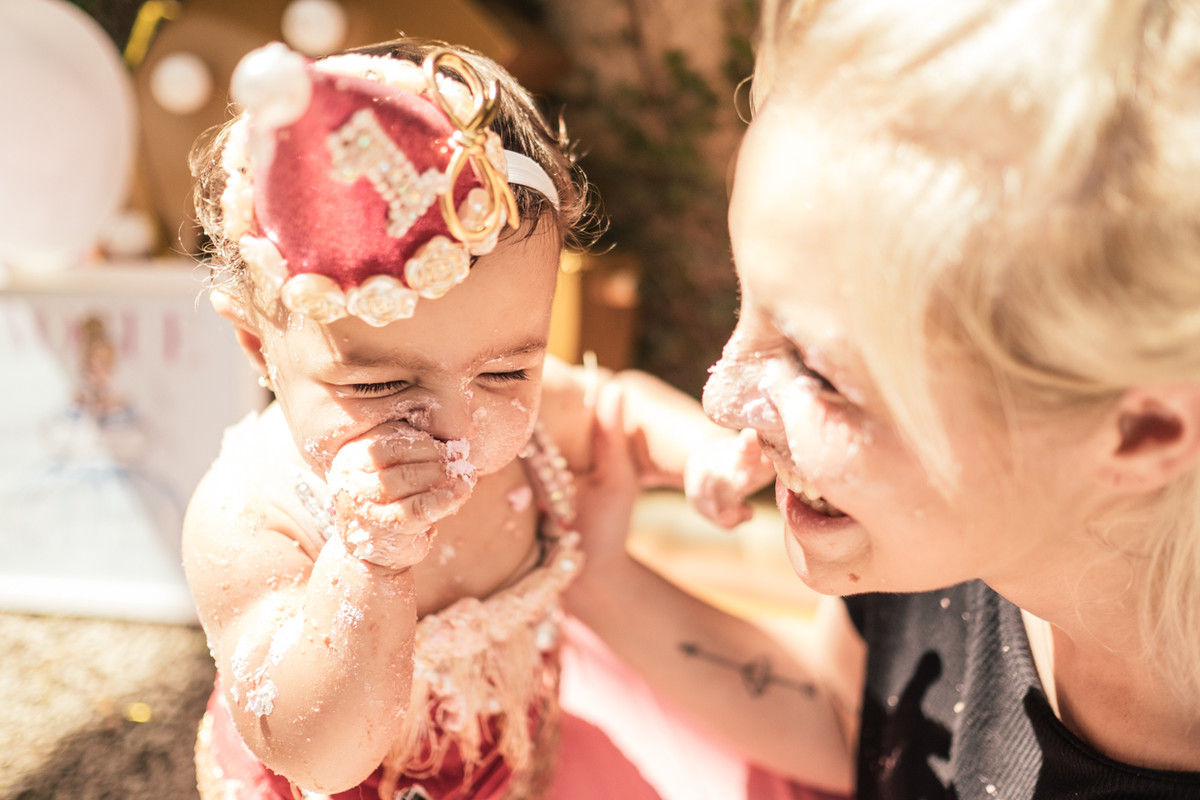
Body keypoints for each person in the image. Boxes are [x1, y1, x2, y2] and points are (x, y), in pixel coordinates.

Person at [567, 0, 1200, 797]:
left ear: (1141, 431)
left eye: (825, 373)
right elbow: (860, 725)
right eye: (747, 302)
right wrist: (593, 573)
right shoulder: (958, 531)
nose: (722, 400)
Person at [182, 35, 788, 800]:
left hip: (517, 764)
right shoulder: (252, 517)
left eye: (506, 370)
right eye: (384, 386)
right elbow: (320, 757)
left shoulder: (526, 426)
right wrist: (367, 562)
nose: (452, 420)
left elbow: (614, 411)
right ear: (256, 345)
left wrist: (700, 455)